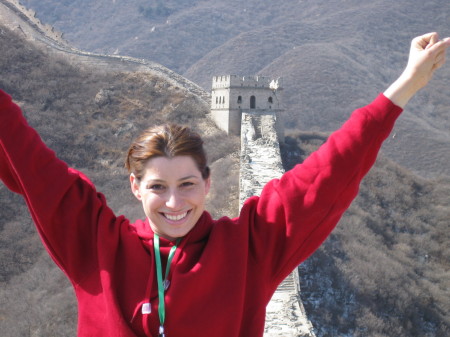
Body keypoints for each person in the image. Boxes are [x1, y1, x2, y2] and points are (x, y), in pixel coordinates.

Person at [0, 32, 448, 337]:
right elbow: (25, 156)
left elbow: (327, 173)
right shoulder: (95, 243)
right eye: (158, 186)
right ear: (134, 187)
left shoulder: (248, 249)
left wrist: (404, 88)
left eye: (188, 183)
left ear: (209, 183)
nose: (175, 202)